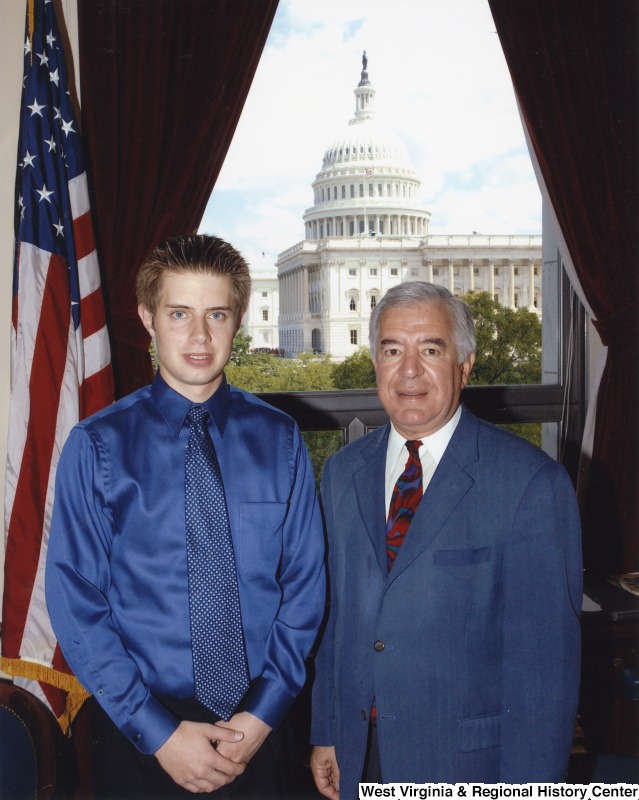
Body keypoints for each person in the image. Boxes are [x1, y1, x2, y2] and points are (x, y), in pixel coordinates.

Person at [45, 234, 325, 798]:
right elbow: (76, 603)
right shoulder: (96, 447)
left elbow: (304, 587)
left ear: (238, 320)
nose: (199, 336)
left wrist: (262, 715)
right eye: (179, 313)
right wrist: (159, 733)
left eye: (216, 314)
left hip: (262, 728)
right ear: (149, 318)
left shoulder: (280, 438)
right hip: (140, 733)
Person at [310, 282, 582, 798]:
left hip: (468, 769)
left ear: (466, 364)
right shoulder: (342, 472)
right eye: (392, 350)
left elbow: (543, 678)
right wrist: (327, 731)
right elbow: (337, 621)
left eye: (430, 350)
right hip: (357, 755)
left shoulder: (530, 484)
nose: (408, 371)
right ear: (375, 362)